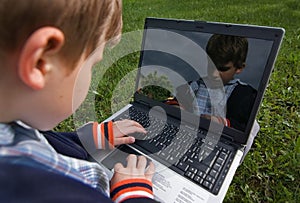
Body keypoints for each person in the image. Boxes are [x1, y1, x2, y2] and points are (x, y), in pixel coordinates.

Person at [0, 0, 158, 202]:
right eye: (92, 64)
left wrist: (89, 138)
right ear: (41, 62)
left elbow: (41, 141)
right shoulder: (33, 191)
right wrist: (134, 196)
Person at [176, 34, 257, 131]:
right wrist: (175, 107)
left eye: (223, 69)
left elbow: (243, 128)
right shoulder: (192, 86)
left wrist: (219, 122)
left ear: (239, 67)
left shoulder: (245, 95)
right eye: (211, 66)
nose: (214, 74)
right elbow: (174, 102)